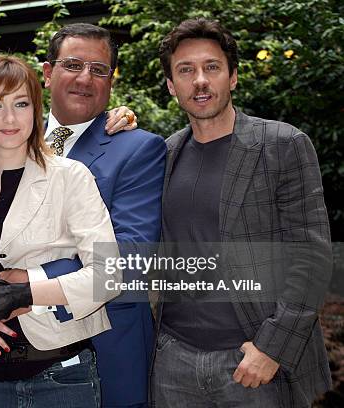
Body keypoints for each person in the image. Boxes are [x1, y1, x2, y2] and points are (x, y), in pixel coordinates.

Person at [151, 18, 332, 407]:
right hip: (172, 365)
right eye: (186, 70)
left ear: (232, 77)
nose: (200, 80)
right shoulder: (163, 154)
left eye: (211, 67)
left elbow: (311, 256)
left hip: (253, 364)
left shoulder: (283, 144)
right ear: (171, 86)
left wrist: (272, 348)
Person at [0, 54, 121, 407]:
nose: (10, 118)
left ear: (36, 109)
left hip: (60, 377)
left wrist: (25, 294)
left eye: (21, 103)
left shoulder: (70, 177)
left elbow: (108, 276)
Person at [6, 23, 165, 408]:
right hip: (11, 355)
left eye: (98, 69)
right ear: (46, 73)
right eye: (73, 65)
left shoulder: (138, 149)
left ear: (111, 80)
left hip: (104, 351)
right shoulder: (9, 140)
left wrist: (30, 282)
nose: (84, 78)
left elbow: (130, 258)